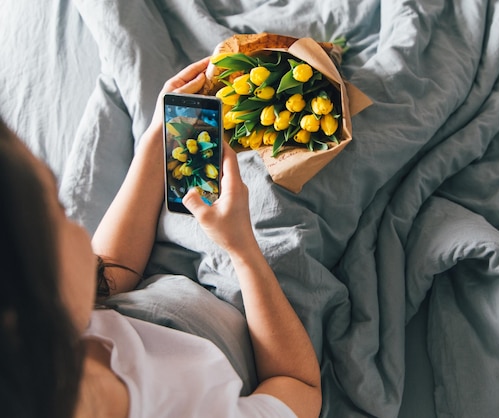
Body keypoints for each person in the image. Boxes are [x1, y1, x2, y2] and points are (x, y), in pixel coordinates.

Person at [0, 57, 322, 418]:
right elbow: (298, 386)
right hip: (253, 325)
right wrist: (242, 249)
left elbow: (111, 275)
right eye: (59, 213)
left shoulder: (51, 341)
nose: (77, 225)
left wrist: (156, 143)